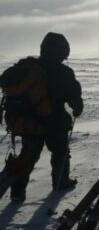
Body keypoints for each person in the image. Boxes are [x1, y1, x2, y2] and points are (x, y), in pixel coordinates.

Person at [0, 32, 83, 202]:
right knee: (60, 152)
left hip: (27, 122)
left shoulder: (27, 67)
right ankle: (60, 183)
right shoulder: (63, 71)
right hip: (54, 122)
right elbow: (73, 96)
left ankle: (17, 191)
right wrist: (77, 108)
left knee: (29, 154)